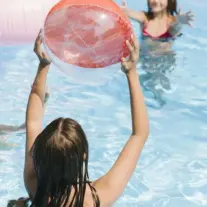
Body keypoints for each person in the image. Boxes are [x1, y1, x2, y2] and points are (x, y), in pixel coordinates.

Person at [8, 29, 149, 207]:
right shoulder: (95, 198)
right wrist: (131, 73)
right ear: (83, 156)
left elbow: (33, 122)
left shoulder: (35, 186)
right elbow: (140, 134)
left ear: (39, 155)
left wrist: (44, 65)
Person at [121, 0, 194, 54]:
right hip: (144, 57)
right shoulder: (145, 17)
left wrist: (180, 21)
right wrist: (124, 10)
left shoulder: (172, 21)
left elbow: (175, 28)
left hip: (164, 60)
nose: (155, 1)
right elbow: (133, 14)